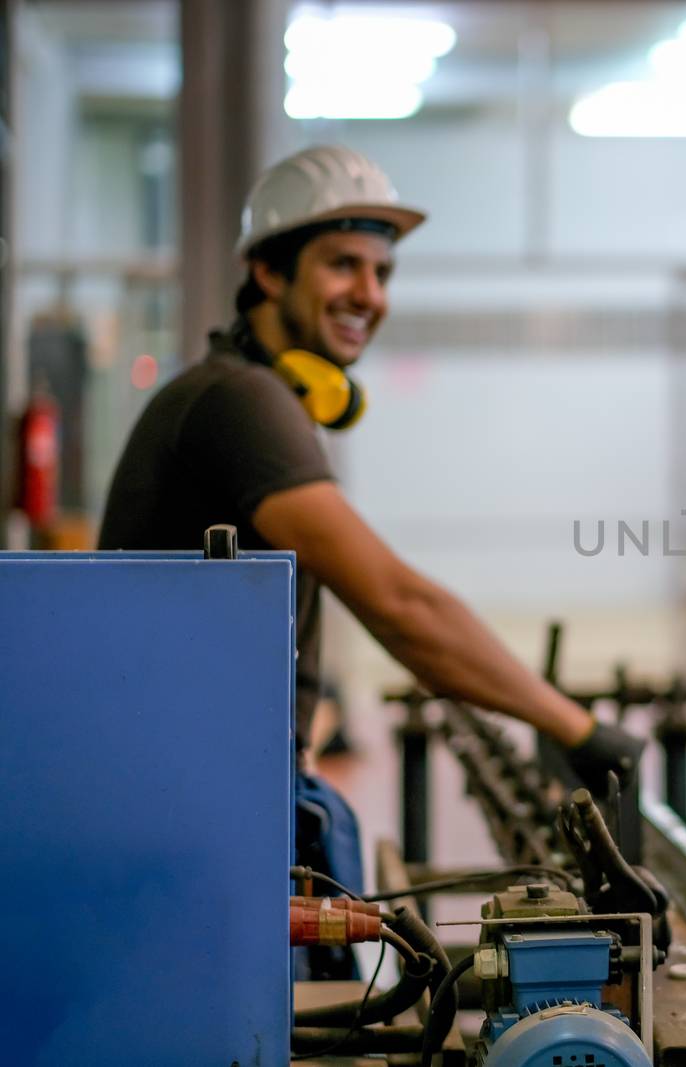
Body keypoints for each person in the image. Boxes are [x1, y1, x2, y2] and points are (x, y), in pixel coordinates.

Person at [99, 145, 642, 908]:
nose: (370, 293)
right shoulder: (243, 404)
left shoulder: (247, 396)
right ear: (268, 271)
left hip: (203, 793)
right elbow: (399, 604)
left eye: (383, 272)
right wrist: (578, 730)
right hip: (187, 816)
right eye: (343, 265)